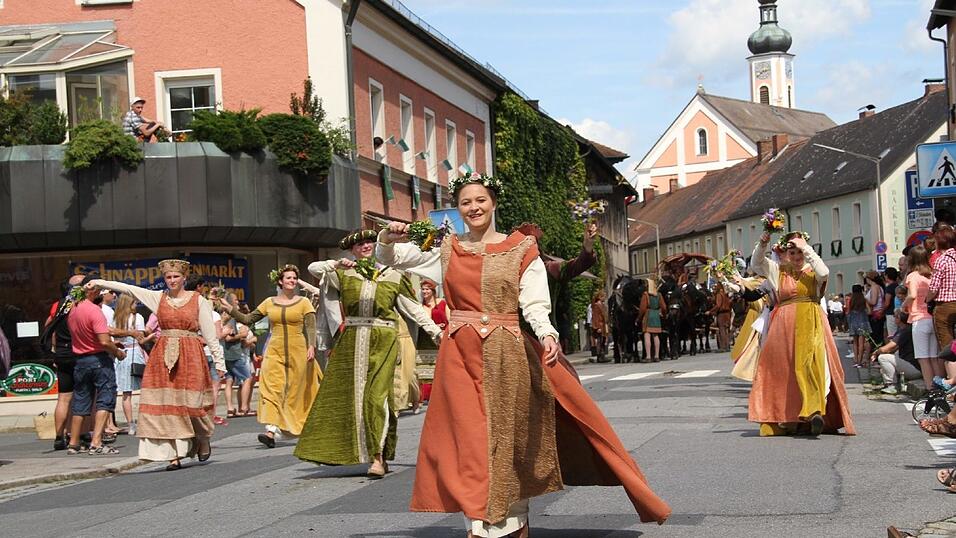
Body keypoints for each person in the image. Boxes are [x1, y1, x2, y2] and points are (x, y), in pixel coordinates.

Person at [377, 173, 670, 536]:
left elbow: (533, 302)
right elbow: (394, 258)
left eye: (480, 200)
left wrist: (547, 333)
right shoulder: (446, 248)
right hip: (459, 355)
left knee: (507, 438)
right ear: (458, 208)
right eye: (466, 202)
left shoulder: (521, 249)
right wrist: (385, 239)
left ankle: (513, 521)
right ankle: (479, 523)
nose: (474, 208)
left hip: (507, 351)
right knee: (469, 440)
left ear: (494, 203)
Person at [295, 231, 441, 477]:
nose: (365, 246)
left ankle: (377, 457)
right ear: (351, 250)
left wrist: (436, 332)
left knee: (377, 398)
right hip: (350, 343)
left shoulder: (395, 275)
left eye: (369, 242)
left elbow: (413, 309)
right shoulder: (342, 273)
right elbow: (313, 267)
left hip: (383, 341)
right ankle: (358, 451)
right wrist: (336, 263)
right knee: (350, 401)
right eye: (359, 243)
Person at [87, 259, 226, 470]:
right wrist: (100, 282)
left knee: (192, 404)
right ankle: (174, 455)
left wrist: (219, 362)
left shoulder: (198, 300)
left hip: (191, 354)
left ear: (184, 278)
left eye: (176, 277)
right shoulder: (158, 298)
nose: (172, 281)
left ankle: (203, 437)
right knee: (167, 405)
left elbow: (210, 334)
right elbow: (129, 289)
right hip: (163, 356)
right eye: (168, 277)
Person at [748, 231, 855, 436]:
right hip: (783, 326)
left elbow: (824, 273)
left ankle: (813, 410)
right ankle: (782, 417)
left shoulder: (812, 270)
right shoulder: (777, 271)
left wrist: (806, 249)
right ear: (786, 254)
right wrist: (762, 243)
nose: (796, 257)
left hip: (811, 322)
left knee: (813, 365)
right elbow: (756, 263)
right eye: (792, 252)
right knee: (780, 370)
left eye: (799, 253)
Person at [225, 265, 319, 448]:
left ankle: (296, 426)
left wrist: (312, 346)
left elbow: (311, 326)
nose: (292, 281)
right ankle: (270, 430)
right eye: (288, 278)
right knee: (272, 389)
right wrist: (231, 310)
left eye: (294, 278)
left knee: (294, 391)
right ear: (280, 281)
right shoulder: (269, 302)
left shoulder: (304, 303)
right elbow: (248, 319)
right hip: (274, 349)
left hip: (298, 349)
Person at [512, 222, 599, 354]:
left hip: (544, 338)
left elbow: (575, 266)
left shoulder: (548, 269)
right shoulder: (507, 273)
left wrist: (587, 246)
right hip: (514, 341)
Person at [67, 278, 126, 455]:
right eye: (99, 290)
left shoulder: (74, 310)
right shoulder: (95, 311)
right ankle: (96, 442)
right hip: (99, 360)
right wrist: (117, 352)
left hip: (81, 360)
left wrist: (110, 343)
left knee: (81, 400)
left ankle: (73, 443)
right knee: (105, 399)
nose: (100, 293)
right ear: (91, 291)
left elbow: (89, 337)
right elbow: (103, 341)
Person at [41, 275, 86, 450]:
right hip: (78, 352)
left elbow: (49, 326)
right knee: (83, 395)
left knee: (63, 398)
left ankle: (59, 437)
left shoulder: (58, 305)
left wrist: (54, 349)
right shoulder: (81, 305)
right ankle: (80, 435)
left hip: (61, 353)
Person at [902, 245, 944, 393]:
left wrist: (904, 305)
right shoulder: (930, 275)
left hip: (919, 319)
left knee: (923, 357)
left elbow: (912, 295)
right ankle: (940, 387)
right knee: (934, 357)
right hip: (932, 318)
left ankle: (929, 389)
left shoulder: (913, 276)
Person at [110, 294, 147, 436]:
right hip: (135, 353)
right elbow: (141, 339)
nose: (136, 305)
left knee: (126, 393)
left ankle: (131, 423)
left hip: (122, 354)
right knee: (143, 389)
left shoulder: (116, 319)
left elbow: (113, 336)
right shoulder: (138, 318)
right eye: (133, 303)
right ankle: (143, 421)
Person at [219, 293, 255, 418]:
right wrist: (242, 335)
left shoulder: (224, 316)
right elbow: (227, 337)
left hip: (225, 353)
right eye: (235, 300)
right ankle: (244, 407)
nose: (238, 302)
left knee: (229, 380)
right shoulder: (229, 317)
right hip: (234, 353)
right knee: (247, 378)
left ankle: (230, 407)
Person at [871, 309, 920, 395]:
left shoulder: (905, 330)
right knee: (886, 364)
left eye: (895, 316)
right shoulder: (905, 329)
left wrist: (876, 352)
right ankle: (895, 383)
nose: (893, 318)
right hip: (913, 365)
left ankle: (891, 385)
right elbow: (893, 349)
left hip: (914, 368)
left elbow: (887, 348)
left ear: (899, 318)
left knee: (883, 358)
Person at [639, 279, 666, 362]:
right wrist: (663, 315)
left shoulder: (645, 295)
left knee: (647, 335)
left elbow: (642, 309)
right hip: (656, 315)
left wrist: (639, 318)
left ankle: (648, 356)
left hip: (648, 315)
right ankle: (657, 356)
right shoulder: (659, 295)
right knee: (656, 335)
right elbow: (664, 307)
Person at [846, 284, 871, 368]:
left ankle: (856, 360)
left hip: (853, 322)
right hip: (862, 322)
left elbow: (848, 312)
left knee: (855, 343)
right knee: (862, 343)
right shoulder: (864, 299)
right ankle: (860, 361)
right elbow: (869, 311)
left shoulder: (851, 300)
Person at [865, 271, 887, 346]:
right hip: (879, 313)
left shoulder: (874, 287)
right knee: (879, 335)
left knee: (875, 336)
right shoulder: (880, 287)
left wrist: (866, 299)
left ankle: (876, 352)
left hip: (875, 314)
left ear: (869, 279)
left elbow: (874, 302)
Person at [708, 282, 732, 352]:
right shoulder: (725, 294)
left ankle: (723, 347)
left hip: (721, 314)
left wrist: (710, 311)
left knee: (722, 330)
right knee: (726, 330)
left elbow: (718, 305)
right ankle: (727, 346)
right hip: (727, 313)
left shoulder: (719, 295)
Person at [590, 290, 609, 362]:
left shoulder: (602, 305)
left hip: (603, 325)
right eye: (603, 296)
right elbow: (596, 317)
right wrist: (597, 327)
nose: (604, 298)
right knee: (600, 341)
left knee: (603, 340)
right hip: (600, 325)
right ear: (600, 297)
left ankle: (602, 355)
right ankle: (600, 356)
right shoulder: (596, 305)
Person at [884, 267, 900, 337]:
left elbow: (887, 303)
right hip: (898, 311)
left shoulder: (889, 288)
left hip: (890, 313)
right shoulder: (897, 285)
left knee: (892, 335)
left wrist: (881, 310)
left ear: (887, 276)